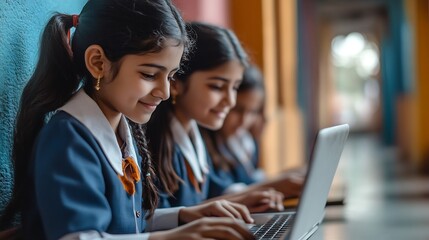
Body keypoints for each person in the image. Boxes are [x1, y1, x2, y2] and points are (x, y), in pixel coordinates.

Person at [0, 1, 255, 239]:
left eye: (170, 76)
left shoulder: (124, 131)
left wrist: (183, 215)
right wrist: (172, 236)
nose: (165, 92)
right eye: (149, 74)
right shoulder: (68, 140)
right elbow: (81, 235)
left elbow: (127, 225)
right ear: (98, 62)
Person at [146, 22, 284, 213]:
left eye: (235, 87)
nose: (230, 101)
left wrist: (248, 198)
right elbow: (149, 219)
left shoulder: (196, 136)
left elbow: (213, 194)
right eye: (217, 87)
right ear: (176, 82)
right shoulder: (154, 143)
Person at [201, 64, 304, 198]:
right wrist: (274, 184)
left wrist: (286, 177)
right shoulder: (206, 146)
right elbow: (223, 193)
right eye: (238, 110)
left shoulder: (246, 141)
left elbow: (251, 181)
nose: (244, 120)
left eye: (252, 112)